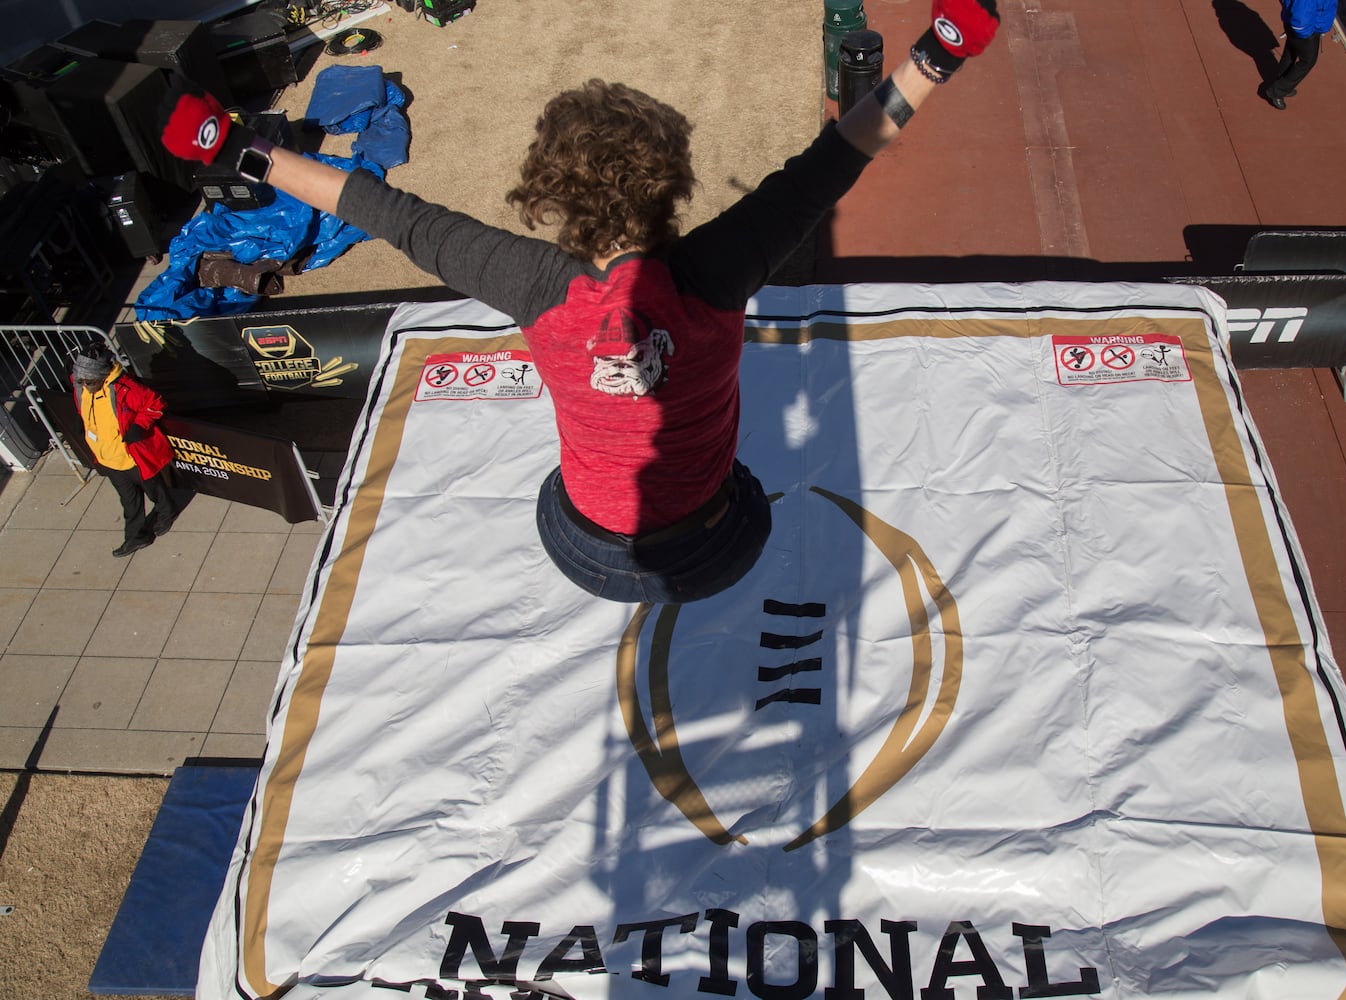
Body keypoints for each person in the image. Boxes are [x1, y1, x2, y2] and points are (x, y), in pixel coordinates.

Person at [160, 0, 1001, 604]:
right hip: (712, 541)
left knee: (586, 486)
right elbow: (836, 159)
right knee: (730, 483)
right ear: (671, 184)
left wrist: (241, 147)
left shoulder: (527, 281)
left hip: (590, 547)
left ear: (549, 194)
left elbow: (375, 207)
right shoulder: (717, 266)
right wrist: (939, 52)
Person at [70, 342, 178, 557]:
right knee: (129, 503)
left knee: (155, 491)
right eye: (81, 381)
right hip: (108, 458)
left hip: (132, 458)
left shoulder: (127, 389)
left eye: (90, 381)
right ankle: (136, 538)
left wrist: (138, 426)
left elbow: (155, 404)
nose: (85, 385)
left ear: (103, 375)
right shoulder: (81, 388)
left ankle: (166, 513)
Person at [1260, 0, 1339, 109]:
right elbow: (1301, 16)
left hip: (1295, 21)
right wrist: (1306, 32)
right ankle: (1277, 91)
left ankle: (1281, 82)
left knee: (1291, 52)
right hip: (1306, 29)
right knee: (1307, 61)